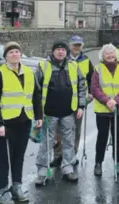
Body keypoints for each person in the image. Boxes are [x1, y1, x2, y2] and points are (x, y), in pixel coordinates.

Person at [0, 41, 43, 204]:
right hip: (6, 123)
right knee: (3, 159)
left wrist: (38, 115)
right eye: (11, 52)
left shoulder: (28, 72)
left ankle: (17, 186)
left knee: (18, 157)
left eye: (17, 52)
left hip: (25, 120)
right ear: (6, 56)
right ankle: (3, 190)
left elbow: (35, 96)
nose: (14, 55)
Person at [34, 40, 86, 184]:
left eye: (63, 49)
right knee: (46, 143)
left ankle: (68, 169)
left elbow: (82, 86)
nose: (60, 51)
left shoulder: (74, 66)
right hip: (49, 113)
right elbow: (36, 91)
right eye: (57, 49)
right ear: (53, 52)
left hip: (68, 112)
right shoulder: (43, 66)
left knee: (69, 141)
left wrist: (81, 106)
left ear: (66, 52)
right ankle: (42, 172)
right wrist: (38, 112)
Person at [51, 35, 94, 168]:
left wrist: (90, 94)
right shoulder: (62, 58)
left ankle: (72, 155)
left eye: (79, 45)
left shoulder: (86, 60)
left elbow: (91, 79)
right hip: (62, 100)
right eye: (74, 45)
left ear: (82, 46)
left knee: (75, 129)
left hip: (78, 101)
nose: (76, 47)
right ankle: (58, 155)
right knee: (58, 130)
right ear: (70, 46)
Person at [91, 43, 119, 176]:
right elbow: (95, 88)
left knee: (118, 136)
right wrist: (107, 100)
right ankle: (98, 162)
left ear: (116, 54)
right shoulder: (98, 69)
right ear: (103, 55)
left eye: (112, 53)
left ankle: (118, 161)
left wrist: (116, 100)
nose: (110, 55)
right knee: (102, 136)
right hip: (103, 109)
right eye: (107, 53)